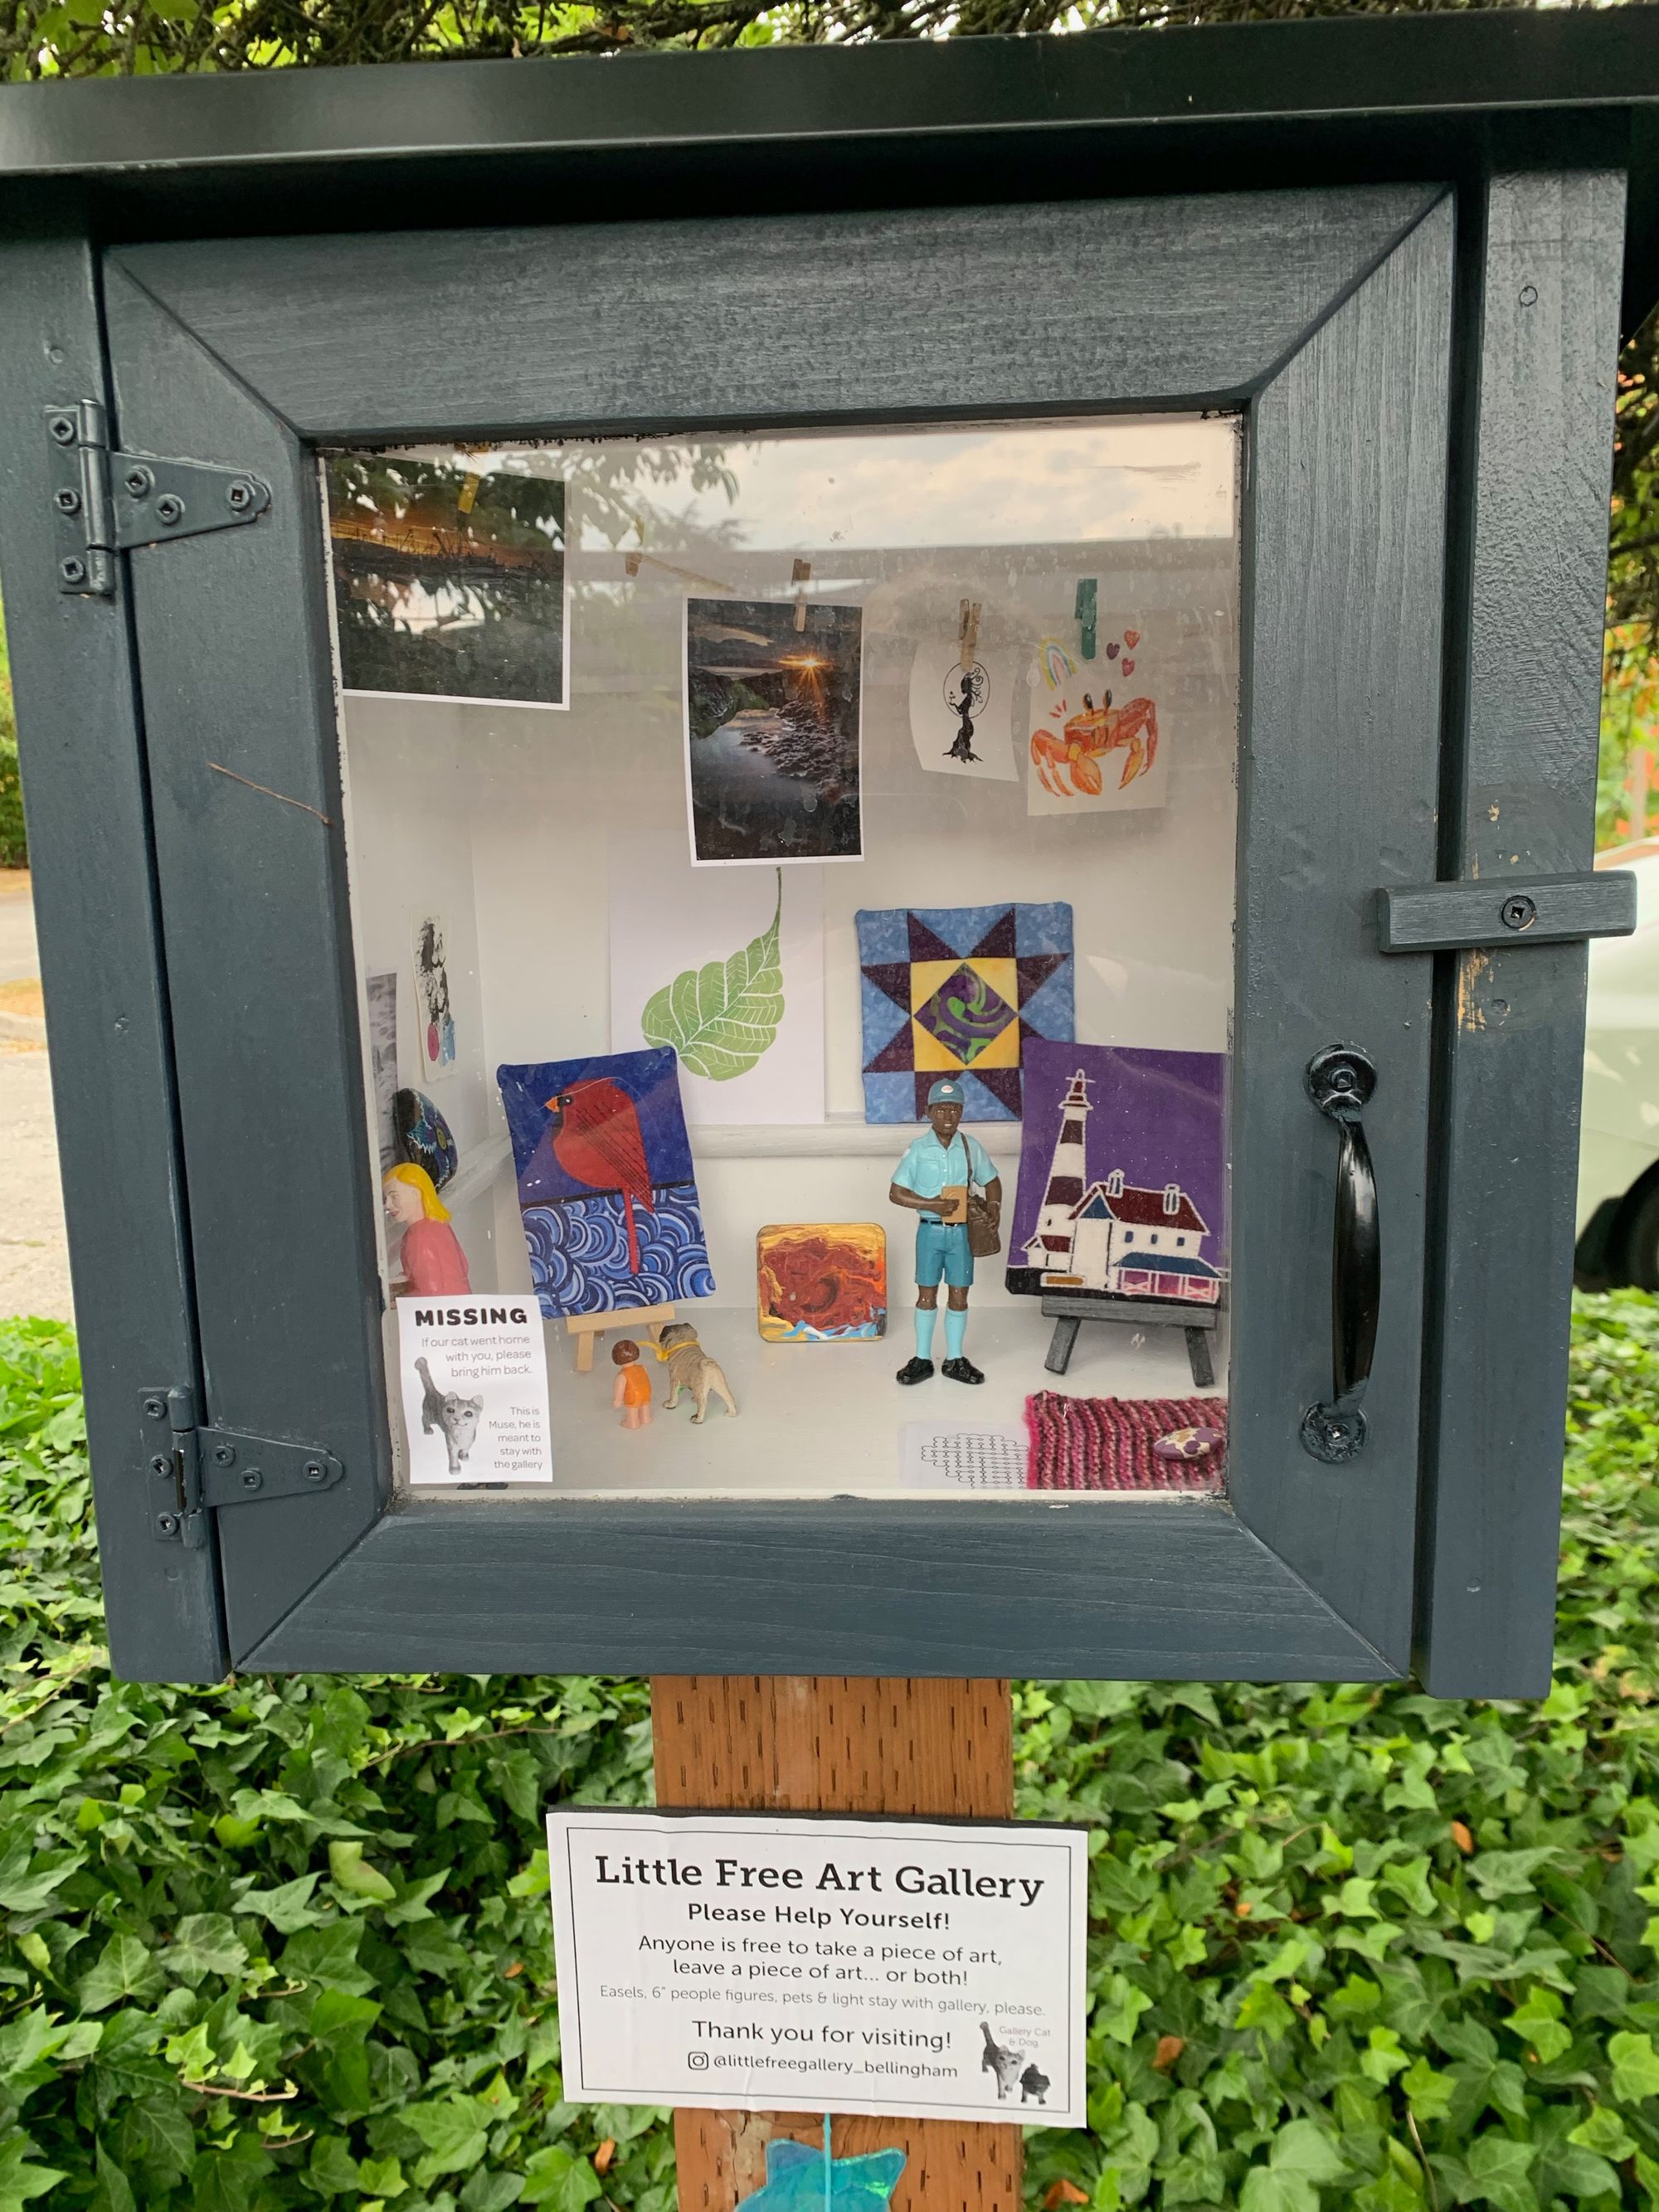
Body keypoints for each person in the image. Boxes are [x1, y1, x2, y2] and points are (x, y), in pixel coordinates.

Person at [888, 1077, 1001, 1385]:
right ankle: (922, 1357)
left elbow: (991, 1180)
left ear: (962, 1112)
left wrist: (995, 1206)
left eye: (954, 1109)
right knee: (926, 1294)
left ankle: (954, 1358)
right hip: (930, 1232)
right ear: (928, 1111)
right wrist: (930, 1204)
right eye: (941, 1109)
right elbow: (896, 1192)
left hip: (962, 1234)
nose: (948, 1116)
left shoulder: (970, 1147)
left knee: (959, 1294)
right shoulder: (918, 1149)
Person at [382, 1163, 470, 1296]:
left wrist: (401, 1299)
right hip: (459, 1308)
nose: (388, 1205)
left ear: (416, 1194)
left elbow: (430, 1289)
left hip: (437, 1311)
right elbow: (462, 1266)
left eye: (394, 1197)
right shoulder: (440, 1226)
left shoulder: (418, 1235)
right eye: (386, 1198)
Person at [611, 1339, 653, 1430]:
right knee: (645, 1406)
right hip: (646, 1393)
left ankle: (633, 1423)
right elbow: (645, 1380)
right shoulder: (643, 1368)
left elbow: (620, 1389)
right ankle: (646, 1418)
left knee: (632, 1411)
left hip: (633, 1397)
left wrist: (617, 1401)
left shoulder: (622, 1376)